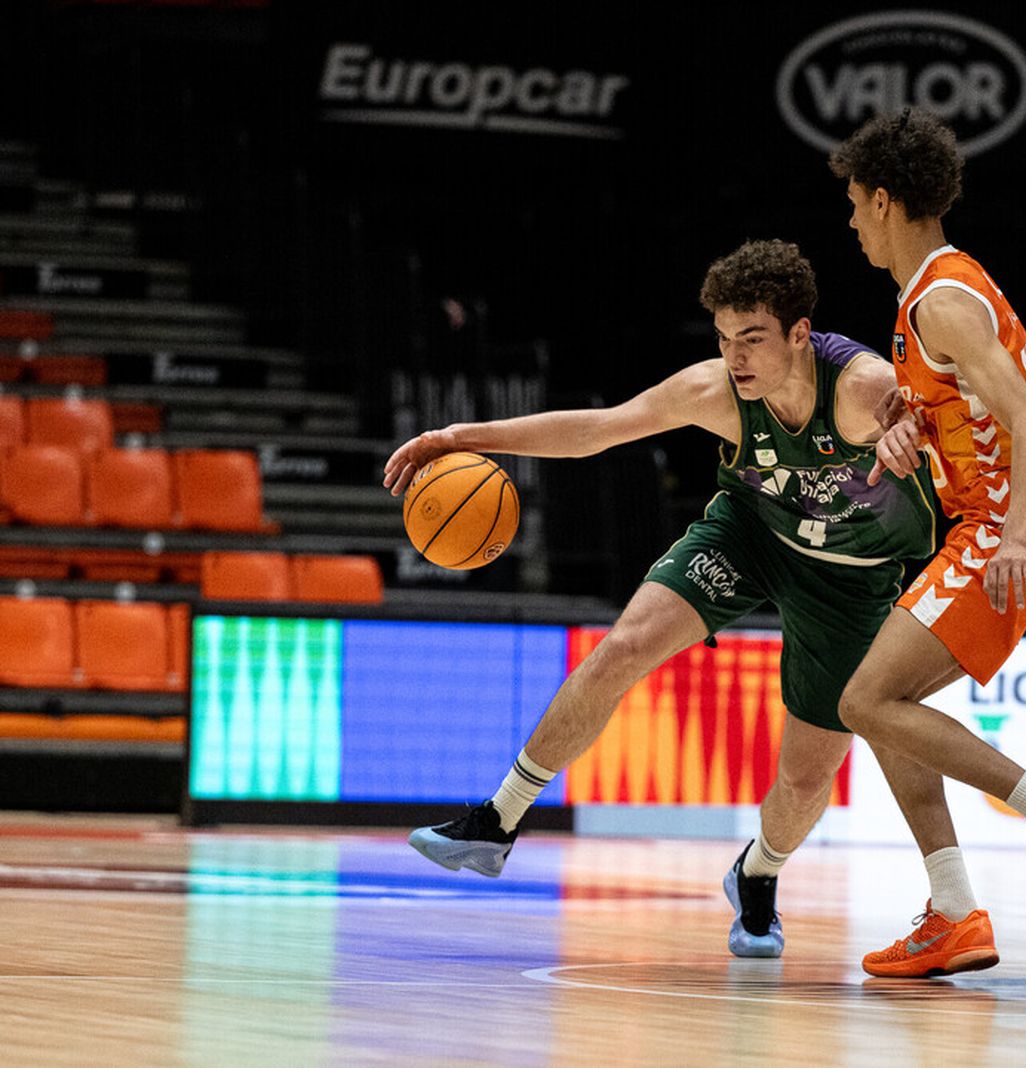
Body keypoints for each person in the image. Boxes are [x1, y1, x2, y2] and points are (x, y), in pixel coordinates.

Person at [384, 239, 985, 963]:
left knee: (806, 775)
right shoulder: (716, 391)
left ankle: (757, 874)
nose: (736, 356)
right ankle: (498, 820)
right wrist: (458, 435)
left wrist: (913, 429)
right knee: (625, 646)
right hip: (749, 532)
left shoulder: (865, 388)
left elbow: (963, 420)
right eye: (725, 338)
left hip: (851, 577)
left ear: (800, 334)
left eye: (753, 339)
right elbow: (599, 431)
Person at [828, 109, 1026, 978]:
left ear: (885, 201)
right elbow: (970, 421)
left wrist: (1005, 541)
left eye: (854, 204)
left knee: (865, 702)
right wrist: (909, 432)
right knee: (884, 703)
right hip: (1011, 523)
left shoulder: (944, 300)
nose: (850, 222)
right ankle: (955, 913)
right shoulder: (930, 296)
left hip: (1025, 529)